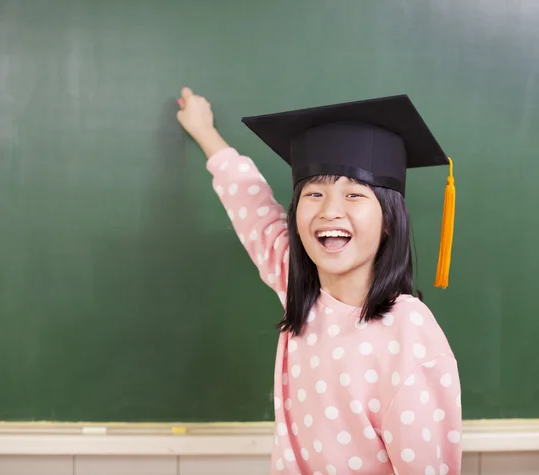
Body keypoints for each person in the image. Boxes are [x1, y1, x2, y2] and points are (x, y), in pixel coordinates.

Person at [176, 87, 462, 475]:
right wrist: (205, 133)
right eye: (314, 192)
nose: (330, 210)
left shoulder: (408, 333)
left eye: (355, 195)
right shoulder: (300, 289)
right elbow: (252, 207)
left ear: (389, 223)